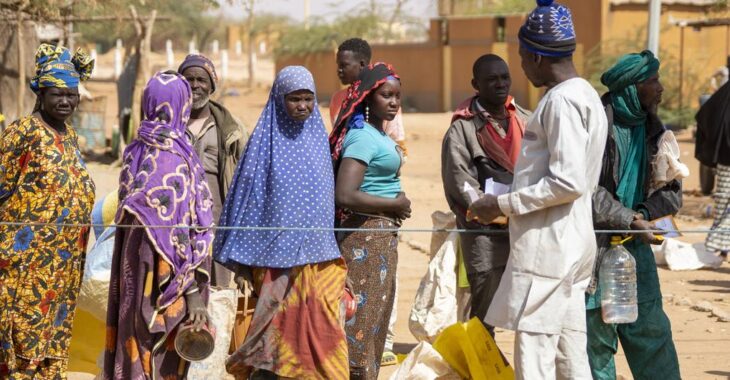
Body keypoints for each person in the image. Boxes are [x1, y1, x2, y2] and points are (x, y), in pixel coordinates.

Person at [469, 1, 608, 378]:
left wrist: (502, 203)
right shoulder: (586, 95)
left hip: (551, 244)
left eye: (521, 57)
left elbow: (568, 181)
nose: (521, 67)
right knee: (569, 347)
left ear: (535, 55)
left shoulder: (561, 101)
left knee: (534, 348)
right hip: (574, 239)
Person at [215, 66, 348, 380]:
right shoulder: (262, 147)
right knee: (274, 342)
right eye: (294, 99)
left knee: (324, 336)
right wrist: (243, 265)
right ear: (278, 99)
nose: (302, 106)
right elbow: (244, 203)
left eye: (308, 99)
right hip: (273, 263)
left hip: (319, 262)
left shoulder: (319, 143)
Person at [103, 72, 213, 379]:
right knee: (156, 347)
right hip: (160, 274)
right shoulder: (172, 159)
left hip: (131, 266)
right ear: (183, 106)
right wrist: (190, 291)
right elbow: (171, 238)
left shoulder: (135, 149)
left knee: (134, 339)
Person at [0, 43, 95, 378]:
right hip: (25, 267)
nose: (66, 101)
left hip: (63, 268)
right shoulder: (23, 132)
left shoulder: (69, 136)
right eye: (58, 94)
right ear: (40, 94)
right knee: (24, 341)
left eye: (72, 94)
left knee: (52, 342)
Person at [587, 50, 682, 380]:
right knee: (595, 345)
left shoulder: (656, 132)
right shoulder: (596, 128)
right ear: (631, 87)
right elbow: (584, 191)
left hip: (637, 253)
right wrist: (628, 219)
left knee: (653, 338)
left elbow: (671, 192)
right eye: (652, 81)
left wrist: (643, 214)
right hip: (594, 253)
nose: (660, 88)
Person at [330, 62, 411, 380]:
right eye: (387, 96)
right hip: (363, 240)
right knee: (360, 326)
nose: (394, 102)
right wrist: (394, 204)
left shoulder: (377, 132)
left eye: (397, 96)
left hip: (380, 239)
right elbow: (345, 194)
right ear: (367, 97)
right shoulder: (362, 136)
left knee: (376, 321)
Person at [441, 53, 529, 331]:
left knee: (530, 308)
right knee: (484, 309)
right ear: (475, 84)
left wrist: (516, 208)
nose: (500, 84)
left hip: (524, 225)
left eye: (505, 77)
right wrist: (489, 209)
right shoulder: (461, 130)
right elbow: (460, 180)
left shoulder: (527, 121)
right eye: (491, 79)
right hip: (482, 231)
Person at [178, 54, 248, 287]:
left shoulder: (231, 128)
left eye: (201, 80)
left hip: (216, 219)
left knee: (215, 286)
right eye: (189, 80)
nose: (195, 85)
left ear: (212, 85)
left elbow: (242, 177)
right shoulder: (169, 122)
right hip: (176, 218)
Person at [697, 75, 730, 260]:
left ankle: (721, 247)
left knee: (723, 202)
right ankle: (717, 243)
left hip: (723, 160)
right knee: (725, 202)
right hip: (726, 159)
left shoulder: (723, 95)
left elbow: (704, 115)